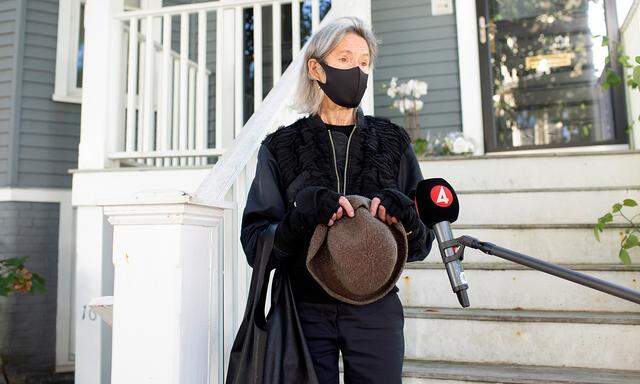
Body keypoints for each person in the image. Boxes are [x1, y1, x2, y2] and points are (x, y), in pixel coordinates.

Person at [240, 16, 436, 384]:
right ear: (317, 68)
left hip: (376, 309)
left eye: (364, 62)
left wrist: (407, 217)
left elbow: (423, 243)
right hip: (304, 310)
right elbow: (255, 244)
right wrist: (299, 217)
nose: (358, 71)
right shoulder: (280, 147)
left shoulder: (392, 142)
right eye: (345, 60)